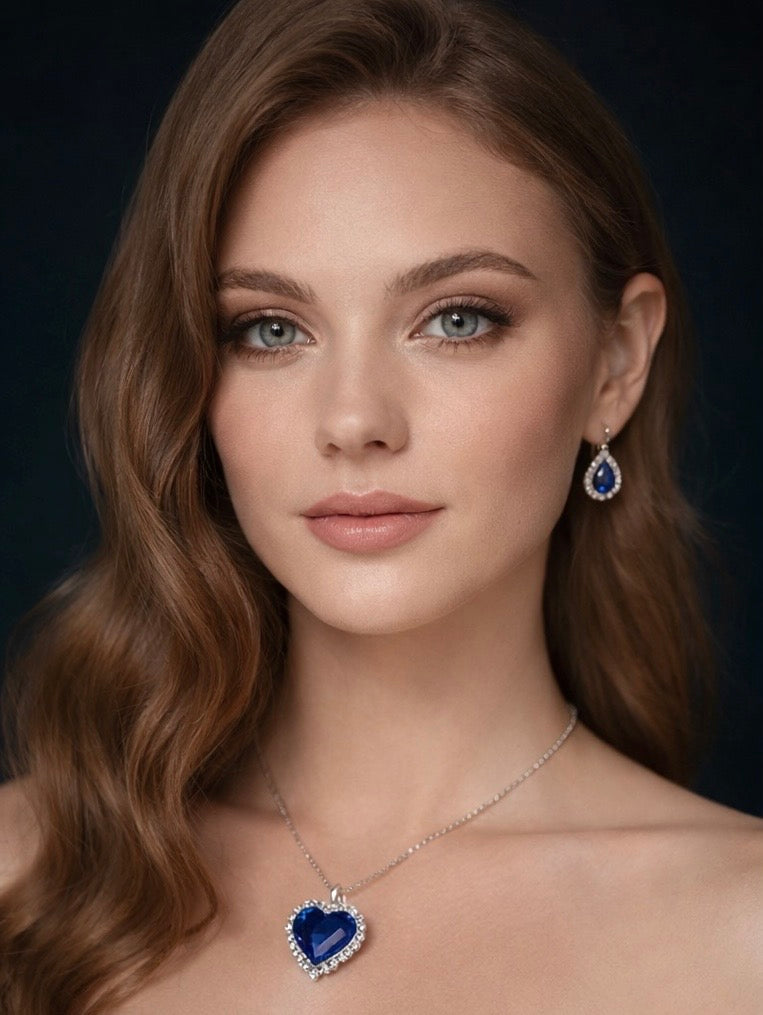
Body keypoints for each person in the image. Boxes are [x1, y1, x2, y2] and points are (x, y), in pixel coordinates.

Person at [1, 0, 761, 1010]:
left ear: (614, 364)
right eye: (270, 329)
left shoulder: (741, 931)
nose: (354, 420)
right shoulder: (22, 875)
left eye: (457, 319)